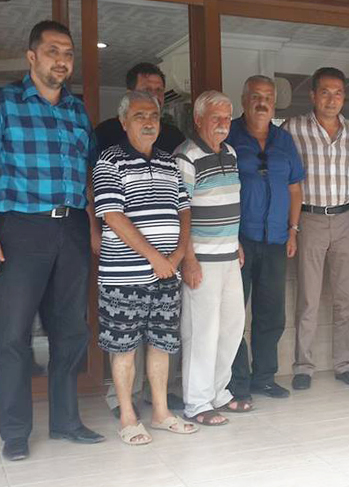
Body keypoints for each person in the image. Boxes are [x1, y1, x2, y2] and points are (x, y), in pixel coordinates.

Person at [0, 19, 105, 462]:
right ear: (32, 57)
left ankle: (65, 421)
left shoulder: (77, 110)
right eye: (52, 52)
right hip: (22, 227)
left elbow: (88, 172)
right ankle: (15, 431)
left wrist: (93, 223)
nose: (61, 61)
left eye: (68, 54)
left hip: (72, 228)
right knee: (13, 333)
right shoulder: (6, 103)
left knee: (70, 329)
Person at [93, 91, 197, 444]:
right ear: (124, 122)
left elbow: (184, 210)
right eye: (139, 116)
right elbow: (112, 215)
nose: (148, 122)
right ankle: (127, 417)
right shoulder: (109, 160)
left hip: (167, 273)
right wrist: (155, 257)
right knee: (123, 347)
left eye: (153, 115)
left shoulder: (169, 162)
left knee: (162, 344)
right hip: (124, 276)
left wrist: (178, 255)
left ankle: (161, 413)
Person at [282, 67, 349, 390]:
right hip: (310, 218)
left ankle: (346, 364)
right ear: (313, 95)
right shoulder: (293, 128)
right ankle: (303, 366)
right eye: (325, 93)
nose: (332, 100)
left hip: (345, 217)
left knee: (346, 297)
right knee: (309, 298)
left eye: (338, 93)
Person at [227, 75, 305, 400]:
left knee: (271, 313)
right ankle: (236, 382)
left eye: (268, 98)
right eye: (256, 96)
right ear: (244, 99)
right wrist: (229, 237)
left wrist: (293, 230)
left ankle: (264, 377)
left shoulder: (283, 140)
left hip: (275, 240)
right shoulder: (228, 134)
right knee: (234, 314)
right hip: (239, 240)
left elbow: (295, 188)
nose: (262, 103)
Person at [175, 91, 251, 426]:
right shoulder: (186, 156)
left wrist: (236, 243)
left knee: (231, 328)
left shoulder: (230, 153)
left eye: (227, 117)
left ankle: (219, 392)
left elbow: (228, 201)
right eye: (215, 117)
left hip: (229, 255)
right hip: (201, 259)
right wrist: (188, 259)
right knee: (201, 332)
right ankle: (196, 402)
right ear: (198, 119)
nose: (223, 124)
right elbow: (181, 212)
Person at [95, 62, 185, 153]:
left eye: (159, 90)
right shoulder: (106, 132)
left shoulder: (174, 136)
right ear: (130, 94)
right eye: (147, 90)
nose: (155, 96)